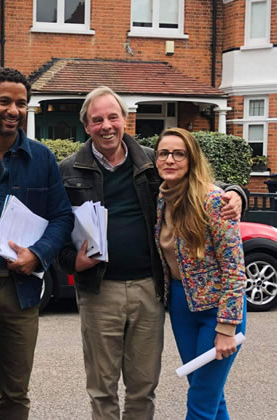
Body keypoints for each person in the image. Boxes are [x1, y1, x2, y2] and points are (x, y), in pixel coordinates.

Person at [58, 86, 246, 420]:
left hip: (149, 288)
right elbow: (55, 227)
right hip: (99, 291)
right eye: (97, 119)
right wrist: (71, 261)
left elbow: (200, 184)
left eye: (113, 117)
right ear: (86, 125)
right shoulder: (68, 170)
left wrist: (236, 193)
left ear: (125, 119)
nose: (106, 126)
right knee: (102, 388)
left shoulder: (151, 161)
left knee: (145, 387)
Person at [0, 68, 73, 420]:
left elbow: (62, 217)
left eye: (21, 103)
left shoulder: (42, 158)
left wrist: (38, 254)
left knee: (16, 393)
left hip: (21, 291)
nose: (13, 110)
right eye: (5, 101)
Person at [154, 127, 246, 420]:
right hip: (182, 306)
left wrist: (227, 327)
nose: (170, 159)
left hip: (218, 311)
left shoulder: (214, 201)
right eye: (163, 153)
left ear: (191, 159)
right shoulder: (162, 198)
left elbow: (235, 267)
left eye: (178, 153)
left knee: (200, 401)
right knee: (208, 393)